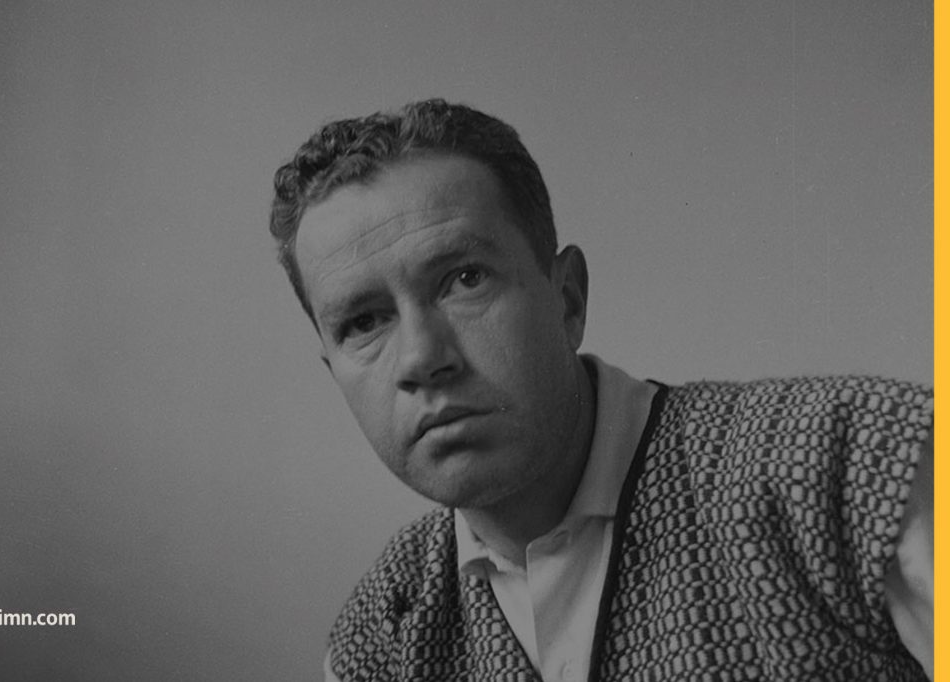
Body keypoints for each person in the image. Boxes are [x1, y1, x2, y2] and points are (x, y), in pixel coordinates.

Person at [269, 99, 933, 681]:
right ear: (334, 371)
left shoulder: (854, 466)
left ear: (568, 300)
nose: (421, 358)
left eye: (464, 280)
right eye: (364, 323)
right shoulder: (380, 637)